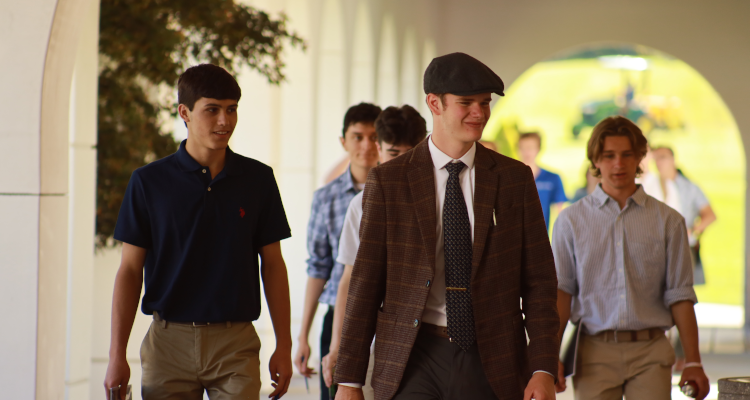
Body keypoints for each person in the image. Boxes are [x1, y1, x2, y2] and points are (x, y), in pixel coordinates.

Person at [334, 52, 560, 400]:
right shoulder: (389, 181)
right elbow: (366, 282)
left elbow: (539, 281)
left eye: (485, 103)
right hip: (411, 356)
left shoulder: (514, 180)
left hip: (493, 357)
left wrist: (542, 367)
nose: (479, 113)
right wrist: (349, 380)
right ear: (434, 103)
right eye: (466, 102)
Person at [104, 64, 293, 400]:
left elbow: (274, 264)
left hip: (236, 343)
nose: (225, 121)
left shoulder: (258, 180)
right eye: (212, 110)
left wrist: (285, 344)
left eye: (232, 109)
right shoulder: (148, 182)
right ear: (185, 112)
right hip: (168, 344)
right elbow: (130, 271)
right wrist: (117, 354)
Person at [553, 116, 710, 400]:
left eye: (627, 155)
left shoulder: (668, 221)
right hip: (594, 350)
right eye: (608, 155)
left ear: (640, 157)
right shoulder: (571, 221)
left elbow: (681, 295)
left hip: (651, 350)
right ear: (595, 160)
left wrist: (693, 361)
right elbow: (563, 293)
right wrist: (548, 357)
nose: (618, 164)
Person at [321, 105, 428, 399]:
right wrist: (336, 350)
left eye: (411, 153)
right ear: (379, 150)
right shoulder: (362, 204)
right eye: (394, 154)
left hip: (433, 345)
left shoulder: (445, 197)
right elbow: (349, 282)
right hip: (376, 347)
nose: (403, 163)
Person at [295, 102, 382, 400]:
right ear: (343, 141)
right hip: (339, 318)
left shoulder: (402, 192)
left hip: (389, 317)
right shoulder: (326, 199)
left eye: (374, 136)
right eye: (358, 136)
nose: (367, 145)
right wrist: (302, 335)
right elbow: (318, 267)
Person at [517, 132, 568, 229]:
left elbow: (560, 211)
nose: (526, 152)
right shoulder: (508, 178)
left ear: (538, 149)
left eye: (530, 148)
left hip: (541, 236)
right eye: (522, 148)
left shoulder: (553, 178)